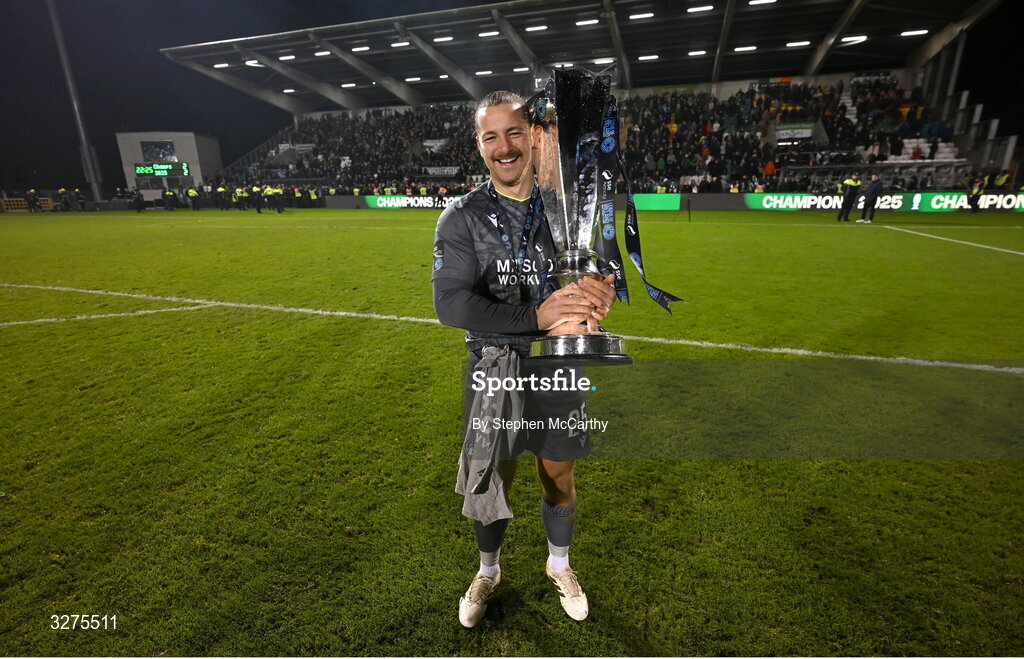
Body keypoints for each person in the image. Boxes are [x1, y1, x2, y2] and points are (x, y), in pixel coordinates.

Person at [432, 91, 617, 628]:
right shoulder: (461, 216)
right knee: (492, 476)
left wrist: (601, 290)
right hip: (494, 365)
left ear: (534, 137)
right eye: (491, 136)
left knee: (558, 473)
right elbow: (450, 304)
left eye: (515, 132)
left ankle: (559, 563)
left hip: (558, 366)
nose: (504, 146)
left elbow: (598, 272)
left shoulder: (568, 211)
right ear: (479, 145)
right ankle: (488, 569)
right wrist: (535, 317)